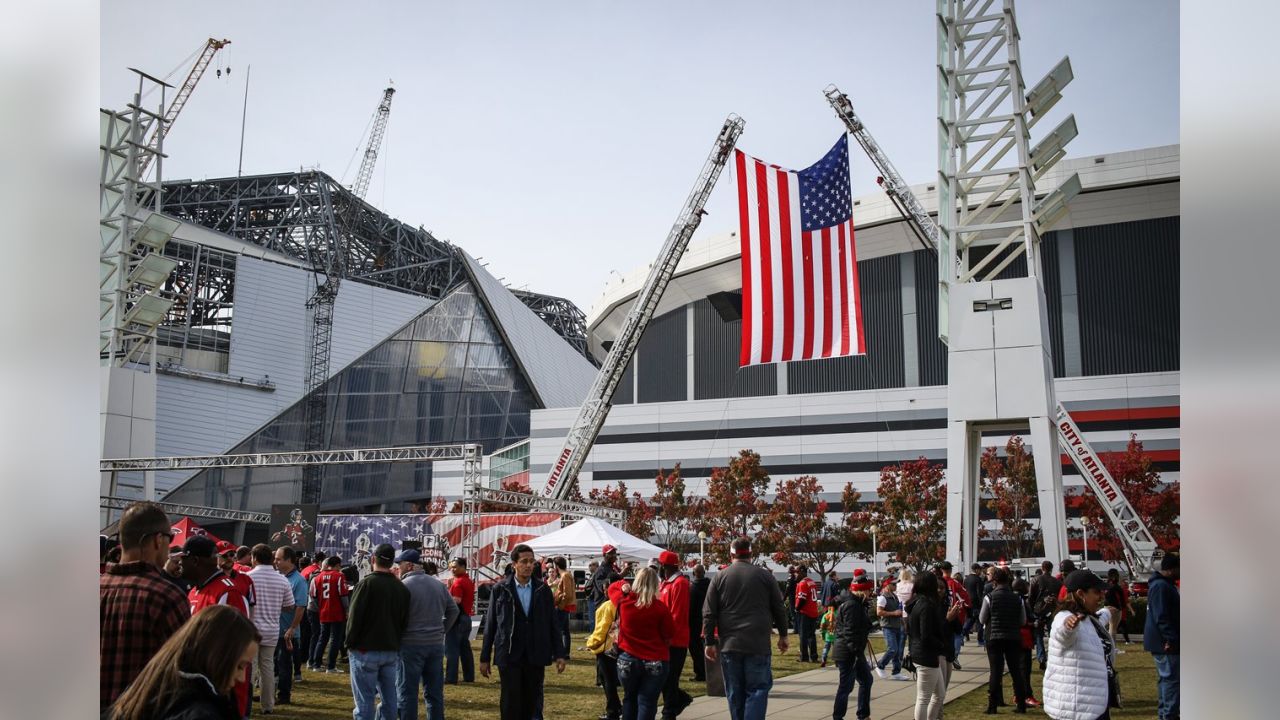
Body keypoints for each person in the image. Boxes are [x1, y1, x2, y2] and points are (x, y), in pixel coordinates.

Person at [100, 501, 191, 709]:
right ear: (158, 540)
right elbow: (184, 669)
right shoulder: (166, 596)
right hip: (141, 711)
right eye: (171, 538)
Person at [105, 605, 260, 720]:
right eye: (240, 666)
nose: (242, 678)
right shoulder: (200, 713)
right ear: (216, 656)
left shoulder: (148, 691)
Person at [702, 537, 790, 720]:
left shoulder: (719, 577)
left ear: (731, 554)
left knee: (735, 693)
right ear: (751, 553)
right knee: (757, 690)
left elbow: (709, 613)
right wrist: (783, 634)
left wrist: (709, 641)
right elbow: (779, 608)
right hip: (757, 644)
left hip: (730, 644)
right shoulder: (766, 576)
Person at [480, 542, 569, 720]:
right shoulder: (501, 589)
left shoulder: (542, 589)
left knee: (531, 703)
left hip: (535, 654)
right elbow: (491, 624)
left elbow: (552, 623)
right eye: (524, 561)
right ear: (514, 564)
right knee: (510, 703)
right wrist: (484, 657)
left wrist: (560, 653)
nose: (529, 565)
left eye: (532, 561)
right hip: (509, 653)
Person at [179, 535, 253, 717]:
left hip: (220, 696)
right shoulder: (196, 590)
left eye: (183, 559)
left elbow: (238, 651)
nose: (180, 564)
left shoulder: (227, 592)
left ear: (195, 560)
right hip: (198, 690)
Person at [345, 543, 410, 720]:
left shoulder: (366, 584)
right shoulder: (401, 588)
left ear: (373, 559)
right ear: (392, 564)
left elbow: (354, 618)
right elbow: (404, 621)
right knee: (390, 700)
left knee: (365, 701)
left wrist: (349, 643)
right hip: (390, 650)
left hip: (365, 650)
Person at [396, 548, 459, 720]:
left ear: (409, 566)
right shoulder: (438, 584)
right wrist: (442, 631)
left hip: (410, 645)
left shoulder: (402, 586)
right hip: (435, 644)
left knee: (407, 693)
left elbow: (395, 617)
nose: (398, 568)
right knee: (434, 693)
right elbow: (453, 610)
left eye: (400, 564)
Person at [1043, 570, 1112, 720]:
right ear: (1081, 594)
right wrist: (1068, 627)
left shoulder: (1086, 618)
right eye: (1097, 592)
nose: (1101, 596)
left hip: (1091, 704)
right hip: (1076, 709)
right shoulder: (1064, 618)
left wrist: (1108, 612)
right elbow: (1063, 634)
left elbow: (1099, 621)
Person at [609, 567, 676, 720]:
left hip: (628, 657)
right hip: (655, 658)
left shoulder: (624, 601)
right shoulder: (660, 608)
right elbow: (669, 633)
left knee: (629, 698)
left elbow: (611, 587)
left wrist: (622, 585)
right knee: (647, 701)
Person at [243, 543, 294, 715]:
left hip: (251, 629)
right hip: (272, 629)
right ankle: (268, 705)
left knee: (249, 667)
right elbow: (289, 606)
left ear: (254, 558)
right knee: (267, 667)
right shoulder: (282, 579)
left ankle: (246, 703)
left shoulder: (247, 577)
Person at [977, 567, 1030, 714]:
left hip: (993, 637)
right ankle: (1021, 704)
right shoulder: (1017, 598)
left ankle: (993, 705)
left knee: (995, 671)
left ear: (994, 582)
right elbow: (1023, 620)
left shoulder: (989, 597)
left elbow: (982, 618)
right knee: (1016, 671)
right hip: (1013, 637)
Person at [906, 571, 956, 720]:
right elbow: (926, 635)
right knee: (924, 698)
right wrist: (941, 645)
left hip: (924, 654)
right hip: (925, 655)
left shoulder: (918, 603)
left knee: (939, 695)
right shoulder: (925, 605)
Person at [653, 550, 694, 719]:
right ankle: (680, 700)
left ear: (665, 566)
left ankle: (669, 712)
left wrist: (667, 636)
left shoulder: (680, 584)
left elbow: (677, 614)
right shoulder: (666, 583)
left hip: (675, 640)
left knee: (669, 678)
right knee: (664, 678)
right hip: (666, 638)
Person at [830, 573, 875, 720]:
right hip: (848, 652)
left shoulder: (857, 604)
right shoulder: (852, 605)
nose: (871, 593)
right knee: (846, 686)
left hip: (852, 650)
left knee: (866, 680)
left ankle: (863, 714)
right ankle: (838, 716)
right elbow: (850, 632)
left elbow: (858, 626)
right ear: (863, 591)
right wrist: (857, 653)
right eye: (869, 590)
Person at [1144, 553, 1180, 720]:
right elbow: (1161, 616)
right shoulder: (1161, 586)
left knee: (1167, 680)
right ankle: (1168, 715)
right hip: (1166, 644)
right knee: (1171, 681)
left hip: (1164, 642)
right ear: (1172, 569)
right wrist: (1170, 639)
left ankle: (1166, 714)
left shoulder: (1164, 585)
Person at [271, 546, 308, 706]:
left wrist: (292, 628)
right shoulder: (278, 576)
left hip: (287, 632)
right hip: (274, 628)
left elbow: (301, 607)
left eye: (279, 559)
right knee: (272, 665)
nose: (275, 561)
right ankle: (270, 693)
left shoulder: (298, 580)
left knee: (284, 664)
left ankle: (284, 695)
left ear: (289, 560)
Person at [310, 555, 350, 673]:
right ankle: (331, 666)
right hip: (336, 612)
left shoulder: (317, 578)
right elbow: (343, 595)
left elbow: (313, 596)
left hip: (323, 612)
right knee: (335, 639)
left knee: (322, 638)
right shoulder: (339, 576)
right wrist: (347, 610)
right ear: (337, 565)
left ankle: (316, 664)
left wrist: (321, 607)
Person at [585, 593, 622, 720]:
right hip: (621, 647)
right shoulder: (627, 604)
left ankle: (613, 711)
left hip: (606, 648)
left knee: (607, 680)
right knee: (612, 680)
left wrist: (591, 642)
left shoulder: (607, 606)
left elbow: (601, 629)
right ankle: (617, 707)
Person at [1011, 578, 1041, 709]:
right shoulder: (1021, 601)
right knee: (1024, 669)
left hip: (1015, 638)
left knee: (1018, 669)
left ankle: (1019, 695)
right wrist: (1033, 623)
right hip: (1023, 637)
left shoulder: (1013, 599)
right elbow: (1022, 620)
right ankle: (1025, 695)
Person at [445, 557, 477, 684]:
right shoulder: (468, 580)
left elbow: (456, 601)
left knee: (452, 648)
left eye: (455, 566)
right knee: (465, 648)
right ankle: (469, 676)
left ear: (463, 567)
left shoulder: (458, 582)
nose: (453, 569)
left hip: (457, 618)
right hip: (466, 617)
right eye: (451, 567)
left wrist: (447, 593)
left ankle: (451, 677)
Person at [1028, 560, 1062, 669]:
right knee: (1053, 635)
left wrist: (1032, 609)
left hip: (1039, 610)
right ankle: (1054, 656)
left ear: (1042, 568)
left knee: (1039, 636)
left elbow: (1030, 597)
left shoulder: (1035, 580)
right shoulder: (1057, 582)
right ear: (1051, 569)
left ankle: (1041, 657)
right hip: (1052, 610)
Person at [937, 561, 970, 668]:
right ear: (950, 570)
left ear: (941, 570)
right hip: (954, 614)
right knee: (957, 635)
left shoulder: (936, 583)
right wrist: (966, 606)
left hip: (940, 614)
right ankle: (954, 655)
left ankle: (943, 655)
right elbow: (965, 597)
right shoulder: (955, 583)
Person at [874, 577, 909, 680]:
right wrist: (894, 613)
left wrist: (904, 624)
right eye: (893, 584)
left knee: (898, 651)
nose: (895, 586)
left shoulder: (895, 596)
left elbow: (900, 612)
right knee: (892, 649)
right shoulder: (882, 597)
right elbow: (879, 612)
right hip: (888, 627)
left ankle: (896, 672)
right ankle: (880, 665)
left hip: (897, 626)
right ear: (887, 585)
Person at [551, 556, 578, 659]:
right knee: (565, 631)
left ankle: (557, 654)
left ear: (556, 565)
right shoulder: (566, 574)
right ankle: (565, 653)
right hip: (565, 606)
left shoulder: (565, 575)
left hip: (563, 606)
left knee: (557, 630)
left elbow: (567, 594)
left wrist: (560, 606)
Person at [686, 565, 709, 683]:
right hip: (708, 621)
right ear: (704, 572)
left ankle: (700, 673)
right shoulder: (710, 586)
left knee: (696, 649)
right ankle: (708, 671)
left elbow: (690, 608)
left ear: (694, 574)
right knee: (707, 647)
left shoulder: (692, 588)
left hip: (694, 622)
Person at [794, 565, 821, 662]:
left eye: (797, 572)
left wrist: (797, 608)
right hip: (813, 611)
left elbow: (802, 599)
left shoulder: (802, 583)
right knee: (811, 635)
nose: (795, 575)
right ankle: (814, 657)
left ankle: (804, 657)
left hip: (804, 612)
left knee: (803, 635)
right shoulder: (811, 581)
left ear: (801, 572)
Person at [1103, 569, 1133, 644]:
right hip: (1115, 608)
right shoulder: (1116, 587)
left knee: (1110, 627)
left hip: (1106, 607)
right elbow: (1122, 600)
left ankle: (1110, 645)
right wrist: (1122, 608)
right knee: (1113, 629)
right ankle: (1113, 647)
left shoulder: (1106, 585)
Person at [964, 563, 987, 645]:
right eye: (980, 570)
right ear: (977, 570)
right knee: (980, 621)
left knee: (971, 619)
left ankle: (964, 631)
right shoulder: (978, 579)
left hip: (968, 602)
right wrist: (982, 603)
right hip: (977, 603)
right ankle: (980, 639)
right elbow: (979, 593)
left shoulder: (966, 579)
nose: (980, 571)